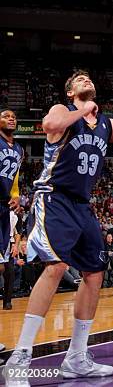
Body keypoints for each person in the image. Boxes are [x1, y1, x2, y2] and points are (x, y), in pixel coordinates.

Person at [6, 70, 113, 384]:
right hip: (53, 197)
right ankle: (20, 358)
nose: (86, 80)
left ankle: (77, 357)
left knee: (94, 272)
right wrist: (83, 110)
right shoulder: (63, 110)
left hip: (82, 205)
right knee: (55, 266)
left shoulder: (109, 125)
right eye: (79, 80)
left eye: (89, 79)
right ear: (70, 93)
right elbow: (50, 127)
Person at [0, 110, 23, 319]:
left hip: (4, 207)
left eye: (14, 117)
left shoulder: (19, 149)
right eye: (6, 116)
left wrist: (16, 197)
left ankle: (7, 299)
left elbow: (14, 180)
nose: (11, 118)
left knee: (5, 261)